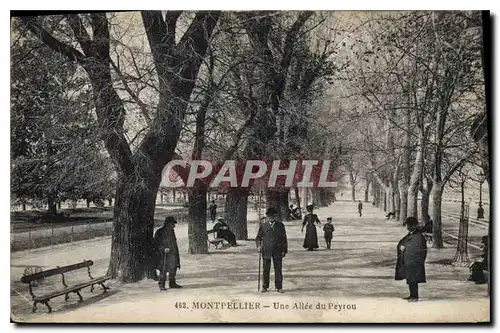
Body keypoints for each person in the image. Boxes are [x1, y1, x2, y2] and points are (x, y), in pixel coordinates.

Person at [256, 207, 288, 293]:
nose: (271, 218)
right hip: (266, 250)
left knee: (278, 269)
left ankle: (279, 287)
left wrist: (284, 250)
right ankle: (265, 286)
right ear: (267, 216)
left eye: (273, 216)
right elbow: (258, 238)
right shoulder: (263, 226)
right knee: (266, 269)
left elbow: (284, 239)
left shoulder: (280, 226)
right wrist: (258, 246)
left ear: (275, 216)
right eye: (269, 216)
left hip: (278, 250)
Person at [395, 217, 427, 302]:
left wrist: (405, 248)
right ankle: (412, 295)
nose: (409, 227)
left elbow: (420, 249)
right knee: (410, 279)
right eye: (408, 225)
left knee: (413, 280)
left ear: (415, 225)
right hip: (409, 261)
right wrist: (401, 248)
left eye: (411, 225)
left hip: (414, 262)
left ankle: (415, 296)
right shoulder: (411, 234)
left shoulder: (418, 236)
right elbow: (403, 243)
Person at [153, 216, 182, 291]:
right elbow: (156, 244)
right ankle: (161, 285)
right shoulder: (160, 232)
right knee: (163, 270)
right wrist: (163, 248)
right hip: (163, 255)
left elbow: (174, 243)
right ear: (168, 224)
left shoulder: (171, 231)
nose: (174, 226)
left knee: (173, 268)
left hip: (172, 253)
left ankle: (172, 283)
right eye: (173, 224)